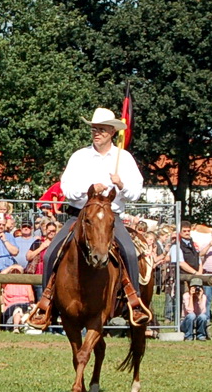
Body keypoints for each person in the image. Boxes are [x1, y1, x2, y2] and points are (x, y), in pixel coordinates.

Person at [30, 108, 153, 328]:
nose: (97, 133)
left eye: (102, 129)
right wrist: (89, 189)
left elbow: (136, 191)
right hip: (80, 217)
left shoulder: (123, 159)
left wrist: (121, 184)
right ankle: (46, 303)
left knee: (130, 253)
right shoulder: (79, 156)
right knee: (50, 254)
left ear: (112, 132)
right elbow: (66, 187)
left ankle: (133, 302)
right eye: (94, 129)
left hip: (110, 218)